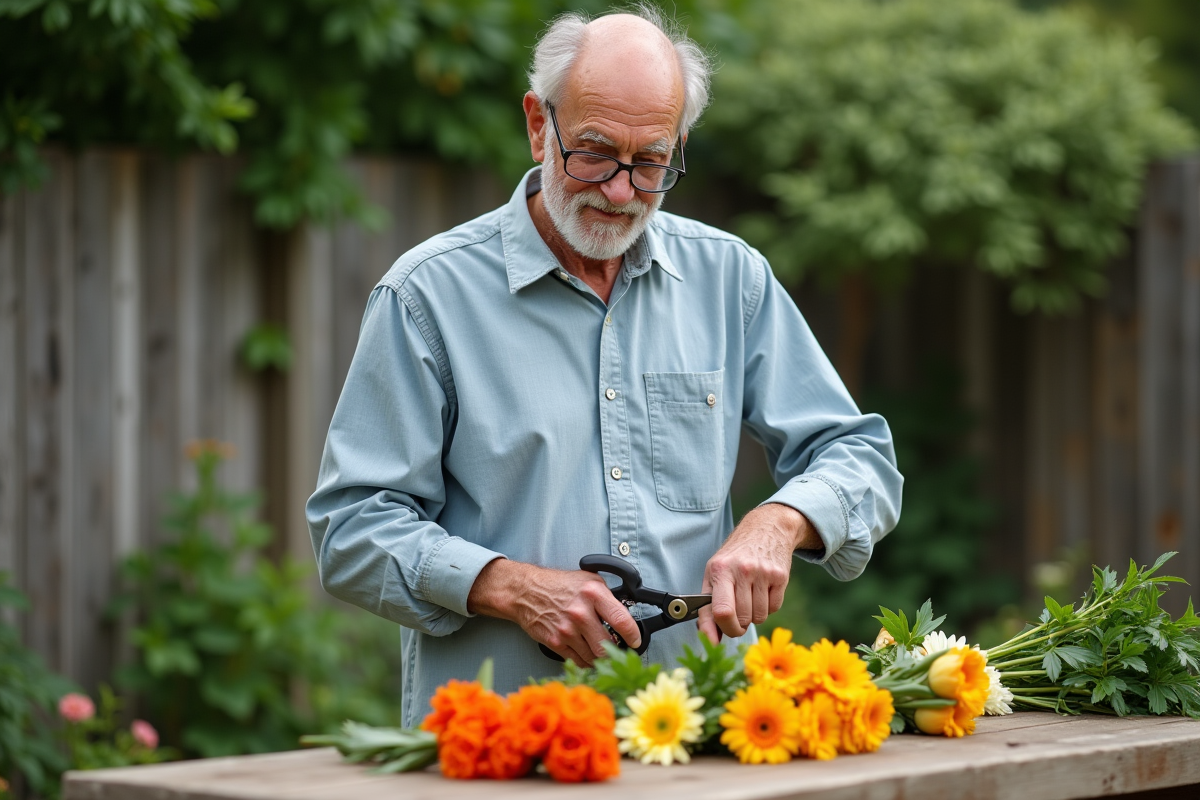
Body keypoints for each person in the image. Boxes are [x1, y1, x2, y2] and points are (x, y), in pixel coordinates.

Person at [306, 5, 902, 728]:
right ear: (537, 123)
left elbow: (858, 456)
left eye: (651, 161)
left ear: (679, 145)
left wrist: (781, 522)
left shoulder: (730, 279)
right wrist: (508, 586)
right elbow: (351, 529)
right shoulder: (427, 296)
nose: (620, 191)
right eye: (593, 151)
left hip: (706, 744)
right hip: (502, 749)